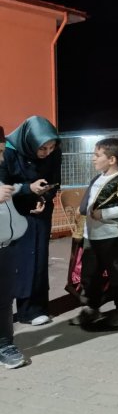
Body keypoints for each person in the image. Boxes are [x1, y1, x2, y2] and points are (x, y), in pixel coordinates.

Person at [70, 138, 118, 328]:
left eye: (97, 155)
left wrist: (104, 214)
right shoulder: (97, 178)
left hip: (113, 237)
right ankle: (90, 309)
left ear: (112, 159)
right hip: (91, 236)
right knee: (89, 275)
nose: (93, 159)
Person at [0, 116, 61, 326]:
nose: (47, 152)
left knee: (39, 258)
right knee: (21, 261)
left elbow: (55, 181)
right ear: (29, 142)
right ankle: (16, 310)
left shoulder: (54, 154)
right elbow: (3, 187)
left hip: (40, 211)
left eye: (51, 147)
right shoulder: (9, 152)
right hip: (14, 212)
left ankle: (36, 309)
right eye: (42, 148)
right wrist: (28, 189)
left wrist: (43, 198)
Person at [0, 126, 29, 369]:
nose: (2, 158)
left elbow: (10, 192)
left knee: (4, 299)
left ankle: (4, 345)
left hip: (6, 248)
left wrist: (31, 190)